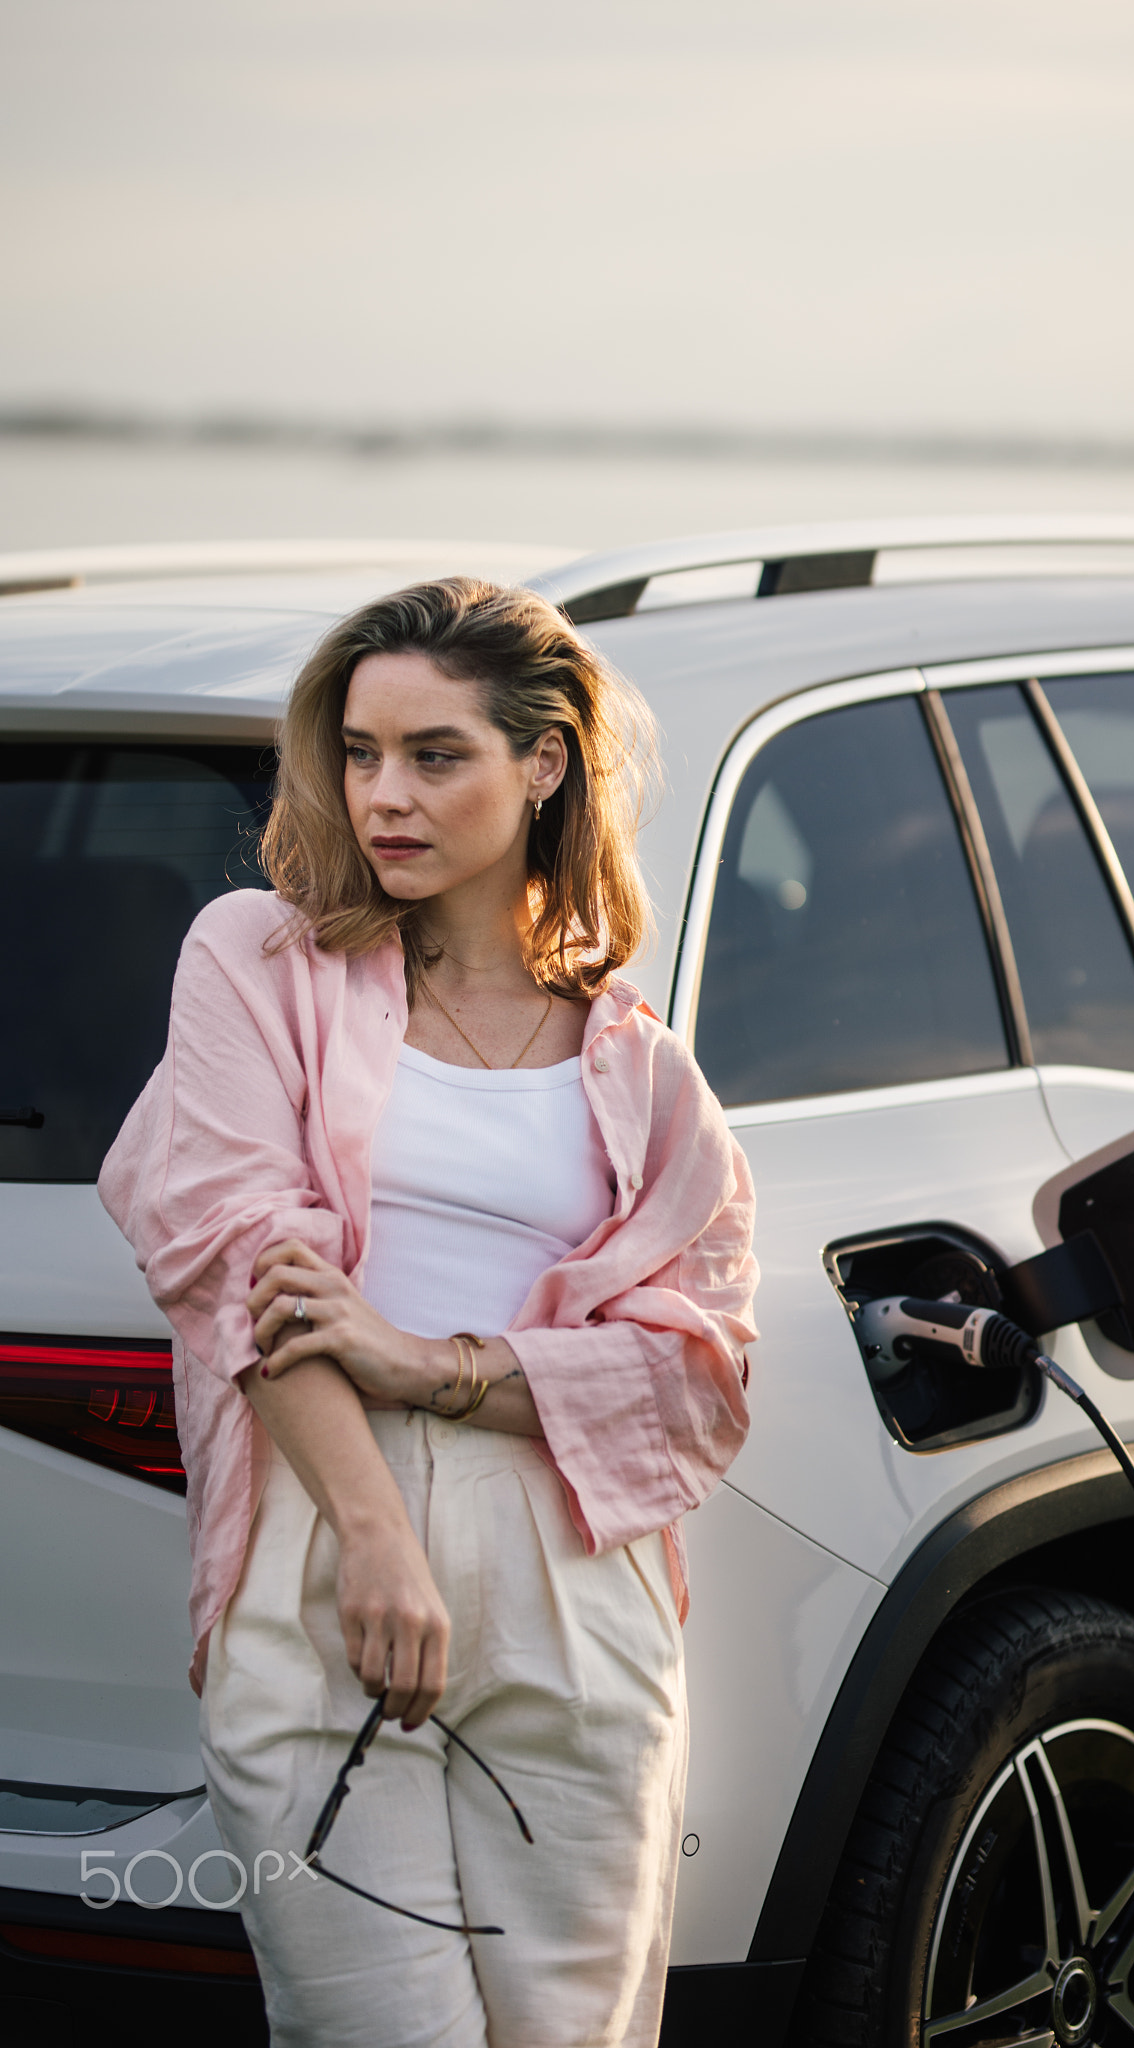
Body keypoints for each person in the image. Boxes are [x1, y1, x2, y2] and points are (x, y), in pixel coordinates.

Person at [99, 577, 759, 2048]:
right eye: (359, 753)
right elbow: (233, 1257)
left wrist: (424, 1358)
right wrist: (376, 1539)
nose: (383, 796)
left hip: (572, 1572)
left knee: (572, 2034)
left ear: (543, 765)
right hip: (323, 1542)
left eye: (434, 756)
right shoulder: (257, 963)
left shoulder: (644, 1074)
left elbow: (695, 1376)